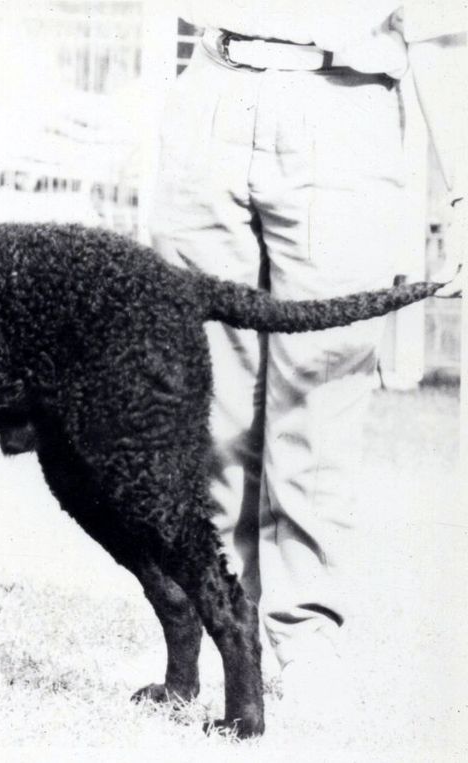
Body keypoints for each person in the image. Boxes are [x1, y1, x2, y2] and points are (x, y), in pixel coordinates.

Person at [148, 2, 465, 715]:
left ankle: (304, 639)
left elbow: (446, 29)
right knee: (201, 397)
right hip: (212, 88)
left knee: (318, 389)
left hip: (341, 103)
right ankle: (209, 633)